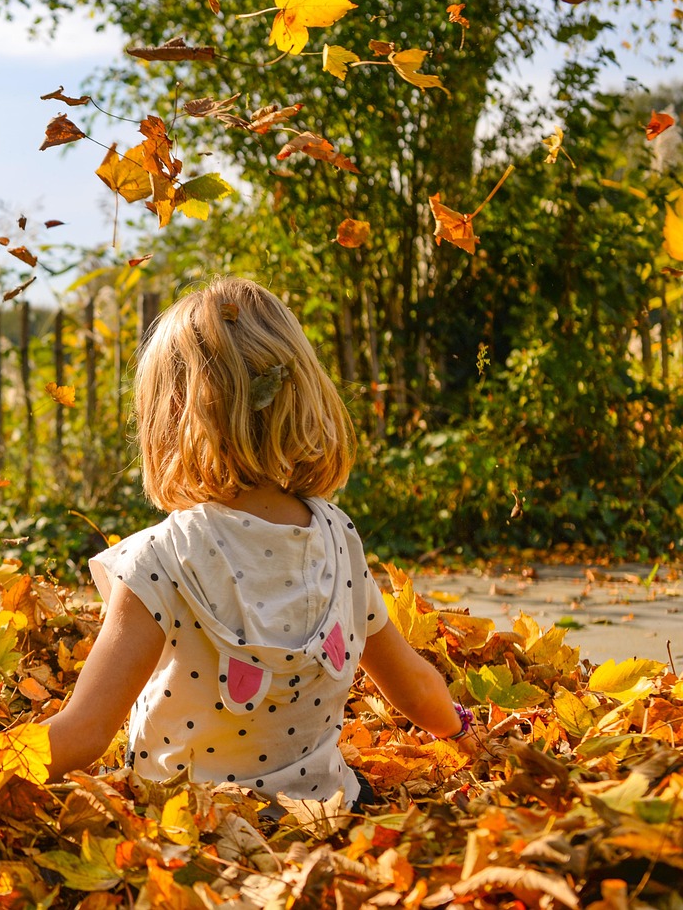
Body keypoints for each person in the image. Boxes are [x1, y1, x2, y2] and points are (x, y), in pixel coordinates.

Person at [43, 277, 470, 806]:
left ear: (173, 415)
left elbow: (84, 732)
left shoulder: (160, 559)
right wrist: (464, 734)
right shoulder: (338, 537)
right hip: (325, 814)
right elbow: (413, 685)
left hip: (190, 828)